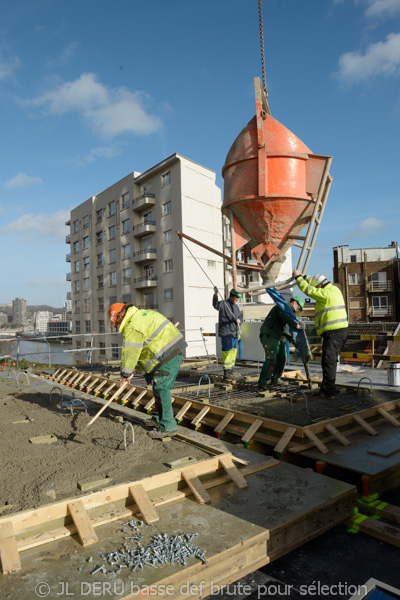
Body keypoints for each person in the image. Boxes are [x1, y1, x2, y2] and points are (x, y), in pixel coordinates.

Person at [108, 303, 187, 439]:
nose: (118, 326)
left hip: (167, 355)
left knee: (161, 388)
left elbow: (130, 352)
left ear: (120, 316)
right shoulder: (142, 314)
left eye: (117, 323)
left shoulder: (132, 326)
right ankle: (158, 418)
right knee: (157, 387)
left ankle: (168, 427)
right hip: (172, 351)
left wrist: (125, 375)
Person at [292, 270, 348, 399]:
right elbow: (313, 284)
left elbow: (309, 290)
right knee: (327, 361)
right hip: (337, 333)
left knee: (329, 362)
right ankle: (326, 389)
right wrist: (304, 276)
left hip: (334, 333)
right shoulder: (333, 289)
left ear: (319, 286)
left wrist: (298, 279)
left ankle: (328, 392)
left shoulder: (325, 293)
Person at [258, 290, 304, 391]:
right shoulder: (283, 307)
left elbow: (285, 329)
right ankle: (263, 382)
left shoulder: (289, 312)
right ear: (294, 302)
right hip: (269, 334)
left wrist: (293, 340)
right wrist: (295, 324)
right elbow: (286, 318)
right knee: (271, 359)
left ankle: (276, 378)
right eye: (298, 307)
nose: (297, 310)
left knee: (282, 358)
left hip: (277, 336)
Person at [213, 287, 243, 379]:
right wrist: (215, 295)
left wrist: (239, 321)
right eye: (236, 297)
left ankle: (230, 369)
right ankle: (226, 371)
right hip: (226, 333)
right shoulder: (223, 304)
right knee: (227, 351)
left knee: (233, 352)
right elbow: (215, 305)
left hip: (234, 333)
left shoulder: (236, 307)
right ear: (231, 296)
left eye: (238, 298)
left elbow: (240, 318)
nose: (237, 299)